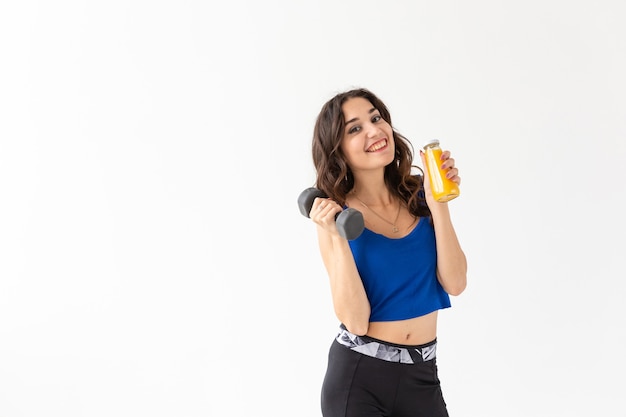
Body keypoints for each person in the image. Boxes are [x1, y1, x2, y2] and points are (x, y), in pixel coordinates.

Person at [307, 87, 467, 417]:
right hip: (359, 378)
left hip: (422, 375)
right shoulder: (336, 218)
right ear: (338, 151)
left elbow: (455, 283)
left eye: (376, 118)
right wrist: (337, 237)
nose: (374, 130)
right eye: (355, 128)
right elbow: (355, 321)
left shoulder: (419, 197)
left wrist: (439, 207)